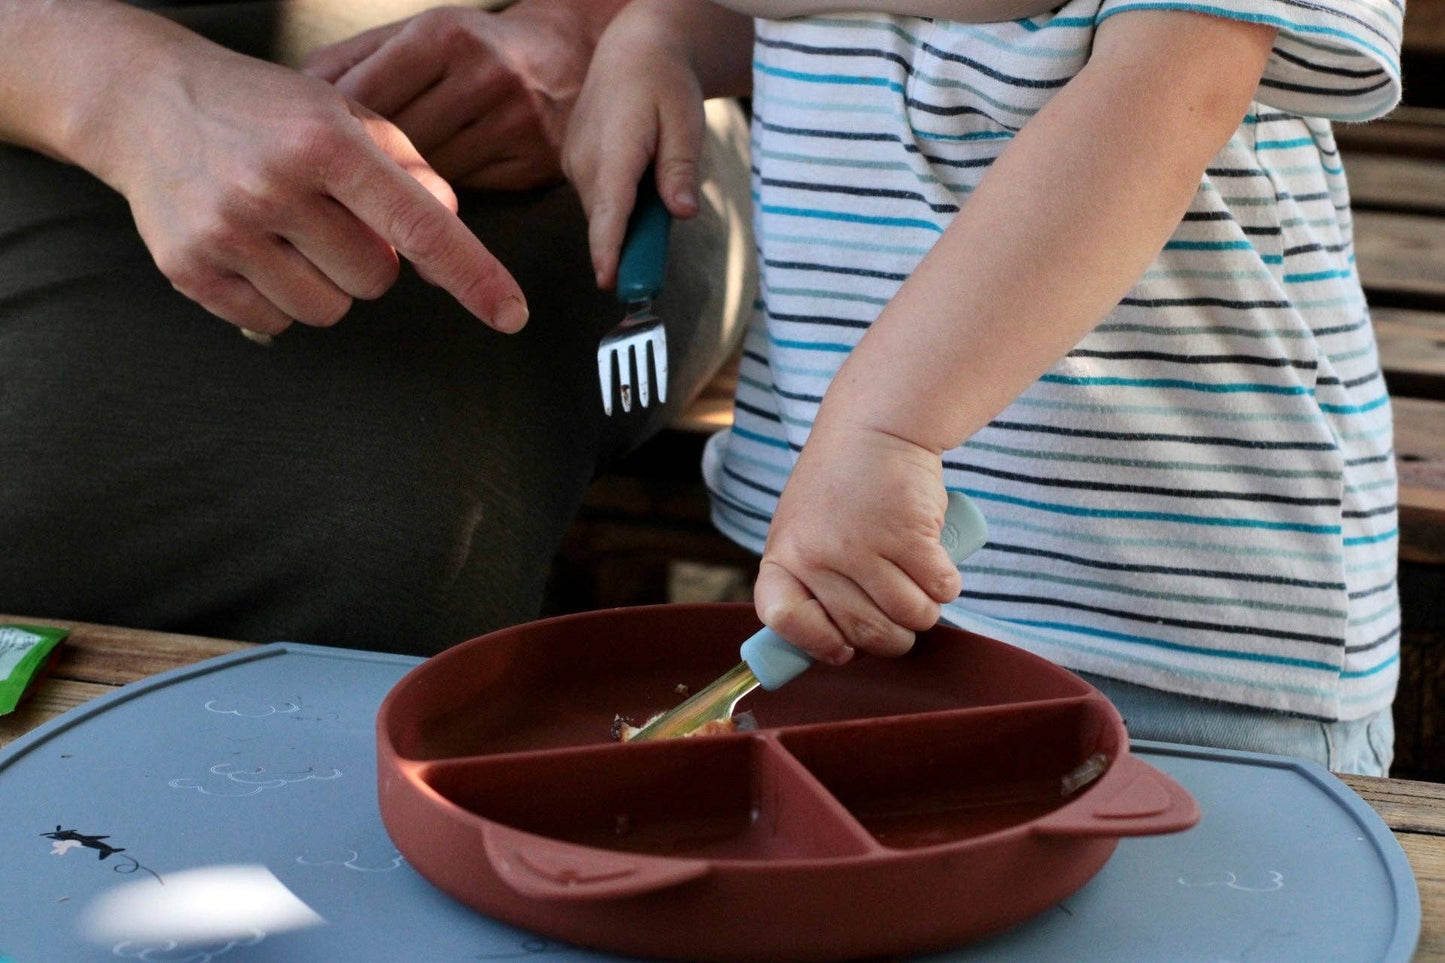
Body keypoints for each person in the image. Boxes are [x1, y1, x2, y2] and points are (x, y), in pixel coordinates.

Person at [563, 0, 1402, 774]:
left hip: (1175, 641)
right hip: (853, 574)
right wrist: (660, 34)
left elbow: (1166, 93)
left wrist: (884, 430)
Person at [0, 0, 754, 651]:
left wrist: (585, 33)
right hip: (41, 83)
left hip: (578, 86)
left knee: (373, 521)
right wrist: (127, 89)